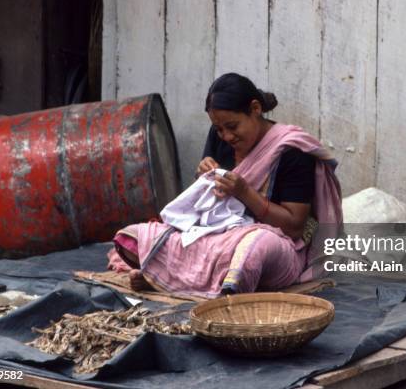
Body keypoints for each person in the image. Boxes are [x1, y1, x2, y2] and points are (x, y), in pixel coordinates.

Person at [107, 73, 342, 298]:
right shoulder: (219, 136)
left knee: (255, 247)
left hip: (275, 247)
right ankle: (180, 280)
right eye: (219, 129)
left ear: (255, 109)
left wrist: (245, 192)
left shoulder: (292, 150)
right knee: (134, 237)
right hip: (215, 239)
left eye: (233, 126)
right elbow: (204, 209)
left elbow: (293, 228)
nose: (227, 136)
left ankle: (167, 277)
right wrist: (203, 179)